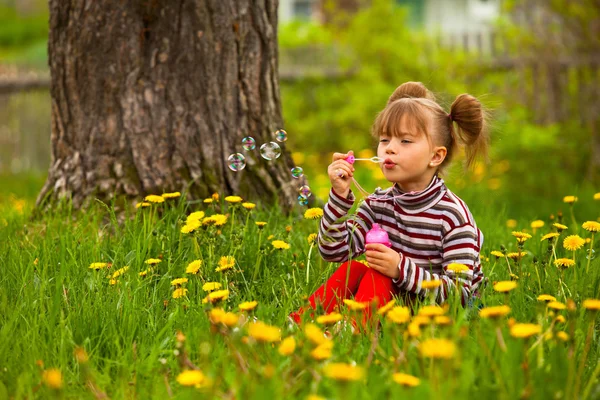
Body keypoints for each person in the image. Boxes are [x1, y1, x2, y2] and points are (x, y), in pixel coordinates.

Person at [290, 82, 488, 328]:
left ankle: (350, 333)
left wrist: (399, 268)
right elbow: (333, 251)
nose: (390, 149)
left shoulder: (452, 216)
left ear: (436, 156)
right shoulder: (378, 204)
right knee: (354, 269)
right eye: (384, 139)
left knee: (379, 274)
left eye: (405, 141)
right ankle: (298, 326)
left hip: (441, 315)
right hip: (395, 301)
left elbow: (461, 295)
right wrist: (339, 197)